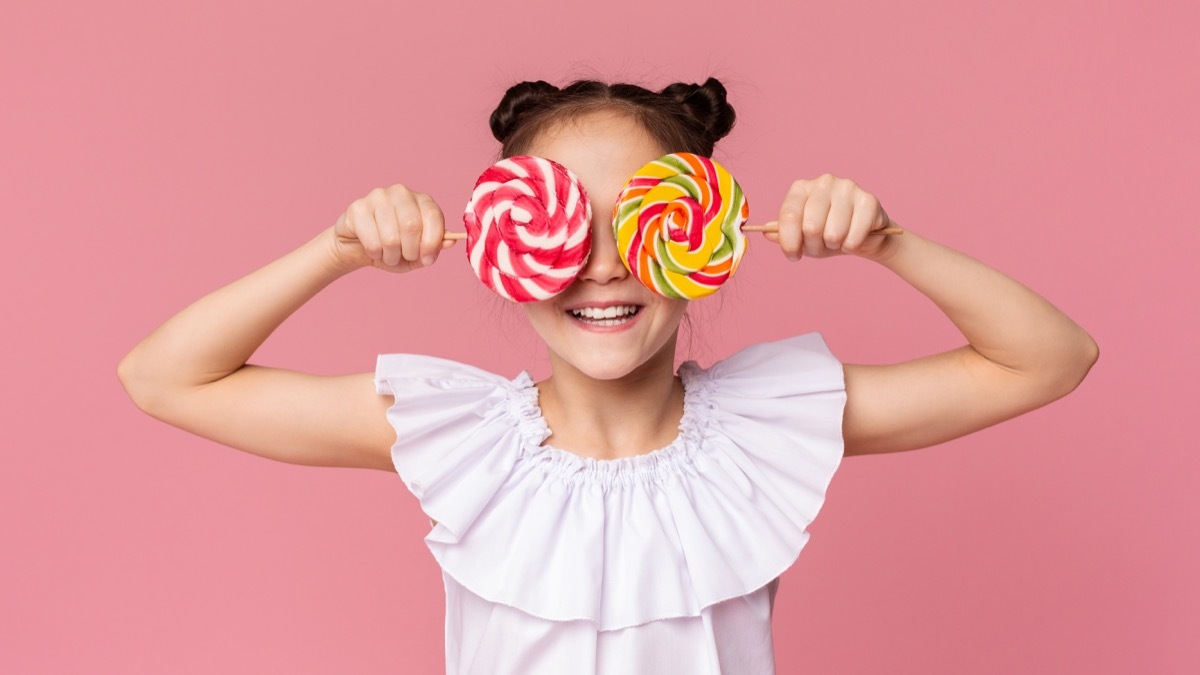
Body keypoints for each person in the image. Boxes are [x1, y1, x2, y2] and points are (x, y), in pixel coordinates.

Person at [117, 77, 1098, 674]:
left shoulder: (767, 427)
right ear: (500, 244)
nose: (601, 262)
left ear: (703, 238)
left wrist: (889, 241)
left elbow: (1049, 359)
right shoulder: (454, 434)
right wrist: (333, 250)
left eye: (639, 224)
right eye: (562, 228)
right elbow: (165, 378)